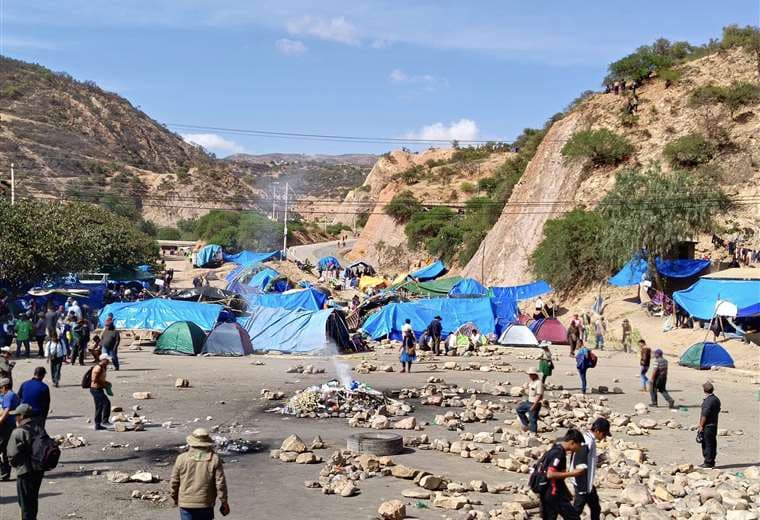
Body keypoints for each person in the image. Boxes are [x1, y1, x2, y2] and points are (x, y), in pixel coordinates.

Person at [170, 428, 230, 520]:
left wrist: (174, 497)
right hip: (205, 503)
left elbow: (174, 482)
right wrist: (224, 502)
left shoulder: (181, 458)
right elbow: (220, 484)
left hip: (186, 504)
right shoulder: (214, 459)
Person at [8, 403, 46, 520]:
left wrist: (14, 465)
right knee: (33, 499)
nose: (15, 417)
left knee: (24, 504)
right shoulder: (39, 427)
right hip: (38, 469)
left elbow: (11, 454)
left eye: (17, 415)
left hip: (24, 471)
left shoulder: (18, 432)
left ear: (22, 416)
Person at [538, 429, 584, 520]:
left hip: (548, 493)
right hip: (553, 494)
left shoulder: (555, 449)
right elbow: (550, 474)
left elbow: (557, 478)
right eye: (579, 445)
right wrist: (573, 473)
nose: (579, 449)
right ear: (572, 442)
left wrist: (566, 492)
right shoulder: (558, 453)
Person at [571, 418, 611, 520]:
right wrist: (582, 486)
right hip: (582, 483)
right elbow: (579, 462)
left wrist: (598, 459)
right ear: (597, 431)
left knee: (595, 508)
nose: (604, 437)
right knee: (576, 511)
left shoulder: (589, 439)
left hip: (587, 483)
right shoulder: (587, 441)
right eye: (604, 434)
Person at [0, 377, 19, 480]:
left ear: (4, 387)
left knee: (4, 450)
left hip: (5, 426)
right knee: (5, 450)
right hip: (9, 426)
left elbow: (6, 411)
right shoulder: (13, 395)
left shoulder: (9, 396)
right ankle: (5, 473)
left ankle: (4, 471)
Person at [698, 382, 721, 468]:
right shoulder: (716, 399)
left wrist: (701, 426)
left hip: (708, 426)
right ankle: (711, 461)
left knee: (707, 444)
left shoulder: (708, 401)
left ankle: (708, 462)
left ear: (704, 390)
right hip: (714, 424)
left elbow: (705, 415)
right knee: (712, 443)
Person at [516, 368, 544, 434]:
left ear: (535, 374)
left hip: (535, 403)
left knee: (533, 419)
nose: (529, 376)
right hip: (529, 401)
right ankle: (526, 424)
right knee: (519, 409)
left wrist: (534, 405)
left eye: (531, 374)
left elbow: (539, 395)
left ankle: (533, 433)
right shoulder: (532, 382)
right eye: (529, 374)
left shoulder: (539, 383)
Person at [91, 354, 112, 430]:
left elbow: (100, 379)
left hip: (98, 389)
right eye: (107, 360)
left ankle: (99, 423)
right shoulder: (98, 368)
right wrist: (104, 384)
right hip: (95, 389)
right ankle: (103, 421)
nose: (109, 361)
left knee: (100, 406)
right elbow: (94, 380)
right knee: (105, 403)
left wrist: (106, 383)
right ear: (103, 360)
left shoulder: (103, 367)